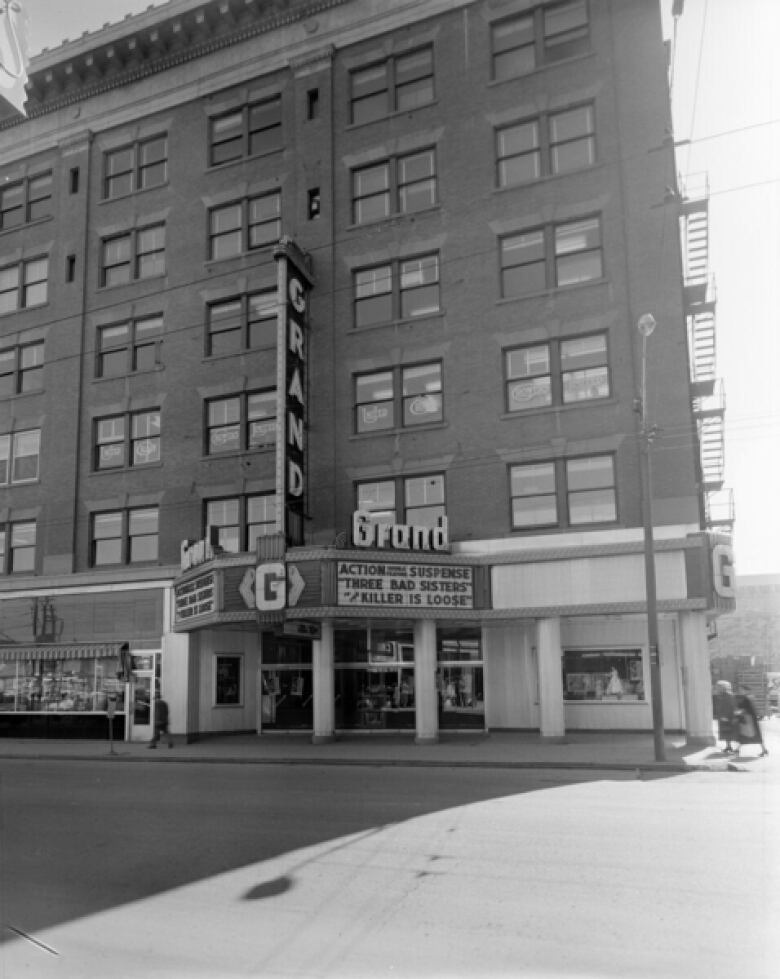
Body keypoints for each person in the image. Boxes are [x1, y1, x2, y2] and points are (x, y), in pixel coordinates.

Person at [734, 687, 769, 757]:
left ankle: (737, 750)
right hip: (750, 719)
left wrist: (739, 712)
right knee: (753, 735)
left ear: (746, 691)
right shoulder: (748, 698)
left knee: (746, 735)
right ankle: (764, 750)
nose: (740, 691)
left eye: (742, 690)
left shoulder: (747, 698)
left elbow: (747, 709)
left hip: (749, 720)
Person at [712, 680, 738, 754]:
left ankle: (733, 747)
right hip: (723, 717)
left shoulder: (729, 695)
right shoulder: (720, 696)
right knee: (726, 732)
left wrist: (730, 716)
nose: (717, 689)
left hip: (728, 717)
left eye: (718, 687)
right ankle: (728, 746)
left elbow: (733, 706)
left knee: (730, 732)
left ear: (723, 688)